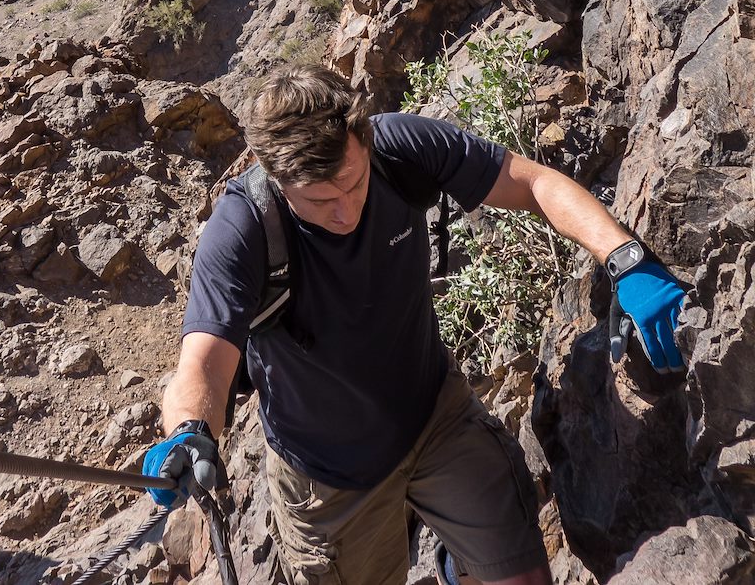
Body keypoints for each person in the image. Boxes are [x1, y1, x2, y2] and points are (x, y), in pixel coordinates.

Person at [141, 66, 686, 585]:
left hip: (435, 417)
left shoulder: (399, 149)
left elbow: (532, 183)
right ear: (276, 178)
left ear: (363, 142)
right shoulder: (242, 230)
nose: (345, 210)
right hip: (328, 478)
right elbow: (204, 361)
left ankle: (459, 567)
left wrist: (625, 258)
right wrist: (190, 432)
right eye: (320, 200)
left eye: (353, 184)